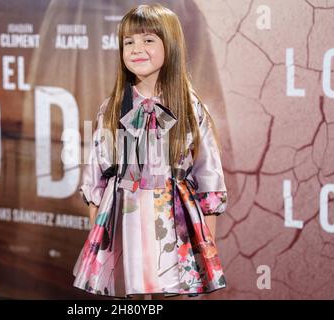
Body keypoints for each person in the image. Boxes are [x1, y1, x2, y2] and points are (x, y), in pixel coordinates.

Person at [73, 3, 228, 300]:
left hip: (175, 223)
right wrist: (104, 244)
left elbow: (209, 179)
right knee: (133, 296)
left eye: (148, 40)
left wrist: (205, 248)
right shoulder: (111, 109)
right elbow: (97, 178)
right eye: (128, 42)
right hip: (126, 220)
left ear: (170, 45)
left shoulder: (191, 108)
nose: (136, 49)